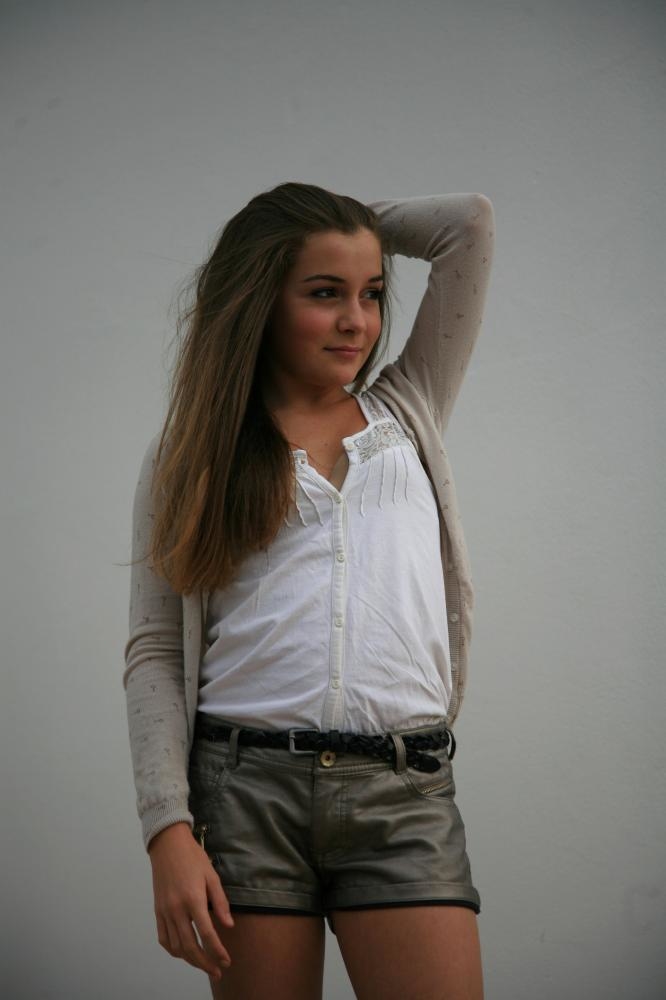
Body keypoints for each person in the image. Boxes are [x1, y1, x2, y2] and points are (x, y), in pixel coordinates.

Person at [124, 181, 495, 999]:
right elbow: (154, 649)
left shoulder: (409, 408)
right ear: (260, 297)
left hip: (402, 789)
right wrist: (167, 830)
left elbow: (467, 225)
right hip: (245, 791)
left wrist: (348, 223)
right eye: (325, 293)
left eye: (371, 293)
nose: (357, 320)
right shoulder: (194, 449)